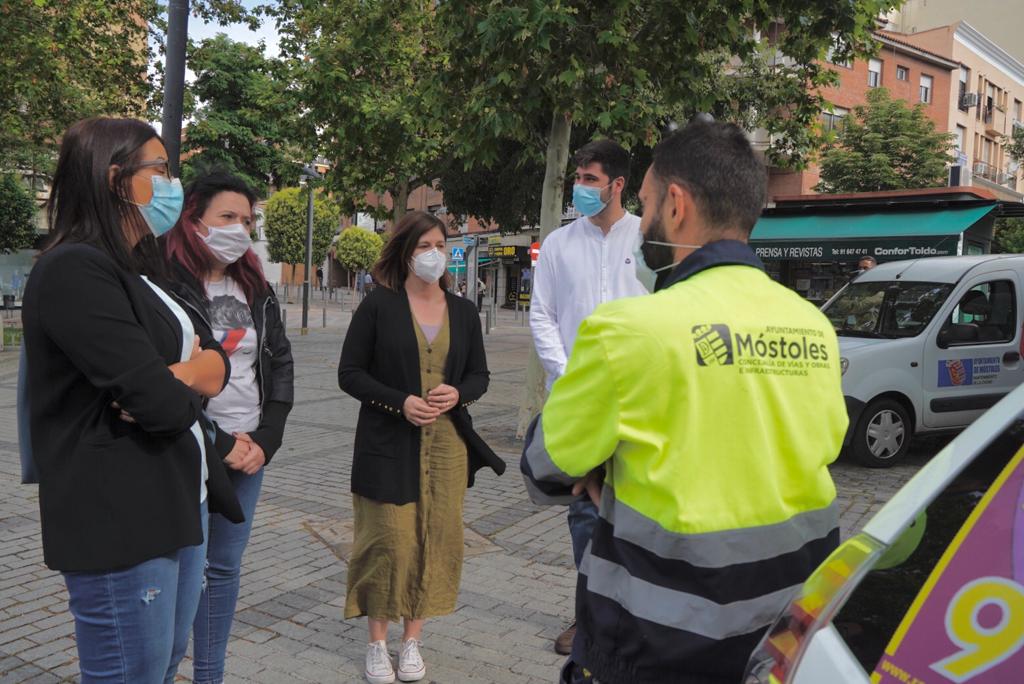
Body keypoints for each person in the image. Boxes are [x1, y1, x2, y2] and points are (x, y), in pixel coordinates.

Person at [521, 120, 848, 684]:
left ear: (675, 205)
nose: (642, 221)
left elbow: (547, 462)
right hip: (786, 632)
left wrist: (602, 465)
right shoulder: (813, 326)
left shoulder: (629, 329)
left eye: (645, 203)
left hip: (660, 638)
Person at [20, 117, 242, 684]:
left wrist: (182, 373)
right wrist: (180, 380)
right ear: (118, 179)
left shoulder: (146, 268)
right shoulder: (73, 269)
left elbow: (217, 366)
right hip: (119, 512)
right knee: (129, 671)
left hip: (175, 499)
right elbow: (163, 404)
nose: (171, 184)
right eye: (161, 170)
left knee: (163, 663)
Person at [339, 211, 506, 684]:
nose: (435, 253)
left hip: (446, 448)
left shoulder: (465, 311)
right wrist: (400, 402)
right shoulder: (379, 306)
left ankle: (412, 640)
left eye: (441, 244)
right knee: (387, 540)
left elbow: (479, 376)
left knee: (435, 539)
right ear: (406, 251)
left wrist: (460, 393)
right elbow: (349, 373)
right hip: (388, 442)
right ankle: (377, 643)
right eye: (425, 245)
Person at [163, 172, 294, 684]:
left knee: (223, 570)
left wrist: (267, 439)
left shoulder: (255, 284)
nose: (240, 229)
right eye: (228, 217)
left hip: (249, 451)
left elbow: (278, 361)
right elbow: (162, 377)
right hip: (189, 447)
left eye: (247, 219)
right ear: (193, 218)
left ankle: (209, 676)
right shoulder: (165, 282)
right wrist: (218, 442)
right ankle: (168, 668)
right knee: (184, 571)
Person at [528, 138, 647, 655]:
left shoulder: (649, 238)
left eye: (591, 179)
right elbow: (542, 316)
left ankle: (638, 618)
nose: (580, 187)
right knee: (582, 509)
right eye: (577, 177)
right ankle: (589, 618)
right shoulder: (558, 243)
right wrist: (570, 374)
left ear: (618, 184)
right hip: (579, 400)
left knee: (640, 506)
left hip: (641, 401)